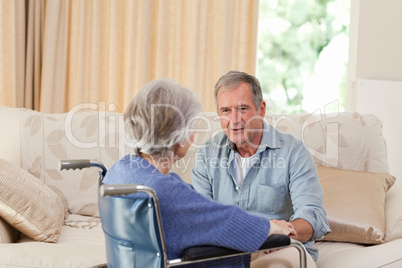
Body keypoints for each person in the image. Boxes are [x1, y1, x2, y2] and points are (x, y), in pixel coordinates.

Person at [103, 78, 295, 267]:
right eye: (191, 125)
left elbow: (201, 207)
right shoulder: (165, 192)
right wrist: (274, 228)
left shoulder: (120, 170)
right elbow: (227, 221)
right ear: (179, 137)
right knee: (293, 254)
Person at [191, 71, 331, 267]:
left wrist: (286, 229)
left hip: (278, 249)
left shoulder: (293, 152)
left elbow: (312, 215)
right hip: (225, 251)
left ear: (261, 109)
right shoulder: (207, 153)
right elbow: (200, 218)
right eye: (226, 111)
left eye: (242, 108)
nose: (234, 119)